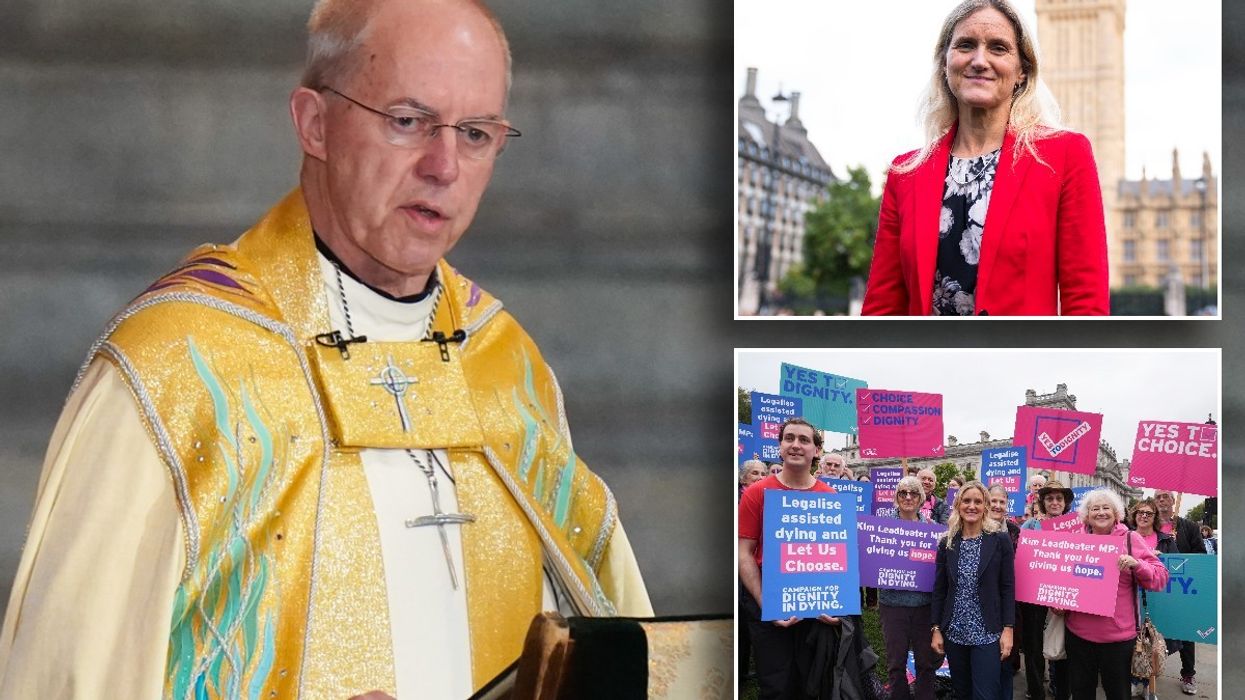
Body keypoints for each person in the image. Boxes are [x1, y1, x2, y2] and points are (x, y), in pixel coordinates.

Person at [0, 1, 652, 696]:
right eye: (408, 121)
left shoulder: (503, 364)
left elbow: (625, 651)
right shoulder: (179, 366)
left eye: (475, 133)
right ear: (314, 124)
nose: (444, 166)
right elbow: (68, 676)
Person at [861, 0, 1108, 316]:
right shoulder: (906, 172)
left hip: (1021, 364)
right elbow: (882, 309)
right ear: (944, 63)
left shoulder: (1064, 156)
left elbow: (1086, 304)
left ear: (1022, 71)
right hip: (925, 365)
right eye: (965, 45)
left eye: (998, 48)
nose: (980, 60)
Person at [739, 417, 838, 699]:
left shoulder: (829, 495)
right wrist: (767, 604)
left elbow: (835, 556)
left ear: (816, 450)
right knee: (777, 687)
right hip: (767, 600)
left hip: (815, 605)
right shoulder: (756, 493)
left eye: (804, 440)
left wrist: (832, 604)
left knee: (814, 684)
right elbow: (743, 553)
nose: (796, 445)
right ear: (780, 447)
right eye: (789, 438)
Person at [1064, 489, 1168, 700]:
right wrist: (1058, 602)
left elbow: (1161, 577)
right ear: (1087, 515)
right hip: (1078, 635)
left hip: (1117, 639)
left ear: (1116, 513)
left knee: (1118, 694)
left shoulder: (1131, 538)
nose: (1101, 512)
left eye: (1106, 508)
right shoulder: (1074, 540)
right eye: (1095, 508)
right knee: (1081, 692)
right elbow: (1064, 580)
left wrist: (1137, 564)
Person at [931, 481, 1015, 699]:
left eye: (978, 502)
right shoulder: (946, 543)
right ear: (958, 505)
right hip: (955, 633)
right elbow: (940, 589)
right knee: (962, 692)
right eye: (966, 501)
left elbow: (1007, 587)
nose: (972, 506)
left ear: (985, 507)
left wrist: (1008, 629)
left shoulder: (1000, 540)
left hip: (988, 633)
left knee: (986, 694)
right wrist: (936, 628)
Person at [878, 476, 944, 700]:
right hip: (892, 606)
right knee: (895, 663)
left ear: (921, 498)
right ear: (896, 497)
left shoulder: (933, 529)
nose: (908, 497)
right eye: (903, 493)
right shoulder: (882, 525)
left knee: (926, 663)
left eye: (913, 493)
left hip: (923, 607)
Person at [1019, 479, 1073, 700]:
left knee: (1063, 648)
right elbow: (1022, 559)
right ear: (1042, 501)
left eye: (1058, 498)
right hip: (1034, 595)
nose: (1054, 502)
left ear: (1065, 502)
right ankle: (1036, 691)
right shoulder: (1030, 525)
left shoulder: (1075, 526)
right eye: (1049, 498)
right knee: (1033, 646)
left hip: (1065, 596)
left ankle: (1062, 692)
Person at [1153, 489, 1206, 695]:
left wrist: (1178, 553)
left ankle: (1188, 674)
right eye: (1158, 497)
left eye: (1165, 496)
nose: (1162, 500)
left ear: (1174, 501)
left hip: (1181, 588)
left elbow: (1201, 555)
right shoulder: (1151, 525)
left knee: (1186, 633)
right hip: (1157, 588)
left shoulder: (1189, 526)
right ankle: (1148, 669)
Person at [1126, 498, 1176, 697]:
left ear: (1155, 517)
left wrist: (1157, 559)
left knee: (1152, 644)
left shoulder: (1165, 540)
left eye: (1149, 513)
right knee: (1134, 644)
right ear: (1134, 515)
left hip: (1156, 600)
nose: (1144, 516)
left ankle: (1149, 684)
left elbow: (1175, 568)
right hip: (1132, 600)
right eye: (1140, 512)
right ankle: (1133, 679)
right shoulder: (1126, 537)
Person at [987, 484, 1021, 700]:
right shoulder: (973, 528)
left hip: (1008, 603)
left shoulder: (1015, 532)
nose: (997, 506)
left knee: (1005, 660)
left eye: (1002, 502)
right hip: (983, 606)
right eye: (993, 501)